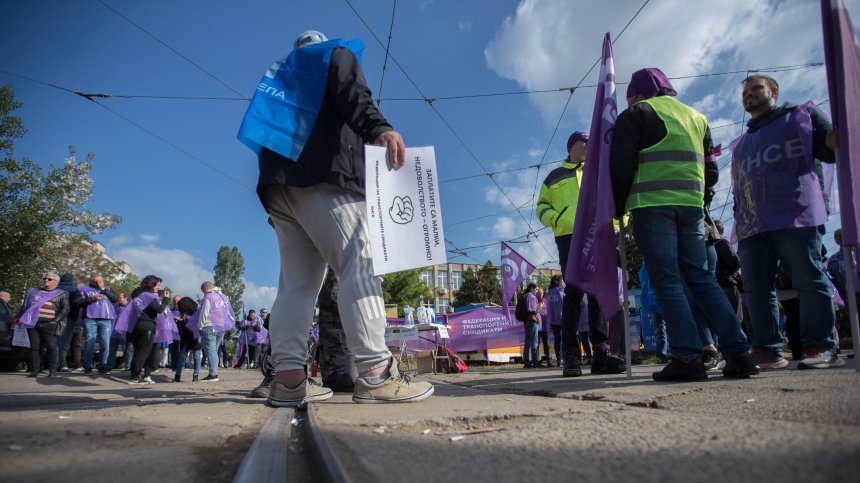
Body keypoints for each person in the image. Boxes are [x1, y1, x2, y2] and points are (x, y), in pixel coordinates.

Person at [238, 29, 432, 406]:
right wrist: (380, 128)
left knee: (297, 286)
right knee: (358, 264)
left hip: (279, 188)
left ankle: (289, 381)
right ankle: (376, 374)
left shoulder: (280, 76)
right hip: (326, 176)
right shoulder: (333, 54)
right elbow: (352, 94)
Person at [611, 67, 757, 381]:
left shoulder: (637, 114)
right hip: (692, 208)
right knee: (702, 279)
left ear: (636, 94)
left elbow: (621, 166)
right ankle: (740, 353)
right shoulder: (697, 117)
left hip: (652, 207)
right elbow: (711, 170)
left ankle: (688, 357)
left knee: (666, 281)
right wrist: (698, 198)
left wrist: (616, 209)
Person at [731, 74, 843, 369]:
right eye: (745, 93)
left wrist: (833, 142)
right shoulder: (741, 145)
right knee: (756, 287)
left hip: (796, 214)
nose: (749, 96)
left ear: (774, 91)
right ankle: (767, 349)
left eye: (756, 89)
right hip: (753, 225)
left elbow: (829, 152)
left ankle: (821, 345)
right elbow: (740, 187)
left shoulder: (801, 117)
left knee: (808, 277)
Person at [536, 130, 626, 377]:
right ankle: (571, 356)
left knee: (598, 291)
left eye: (590, 142)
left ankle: (601, 354)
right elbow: (541, 207)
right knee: (573, 293)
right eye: (584, 142)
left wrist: (618, 225)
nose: (589, 145)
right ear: (571, 147)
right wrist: (558, 219)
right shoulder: (554, 177)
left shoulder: (598, 171)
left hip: (598, 237)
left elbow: (616, 202)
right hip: (569, 238)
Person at [114, 275, 170, 384]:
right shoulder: (147, 296)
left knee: (138, 352)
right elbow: (158, 309)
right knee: (143, 353)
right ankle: (135, 377)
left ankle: (134, 375)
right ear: (151, 285)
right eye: (157, 285)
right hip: (146, 327)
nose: (159, 287)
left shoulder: (139, 297)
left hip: (137, 326)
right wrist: (166, 300)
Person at [14, 273, 69, 377]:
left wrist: (55, 321)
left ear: (56, 282)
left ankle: (52, 371)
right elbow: (25, 306)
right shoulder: (33, 292)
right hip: (33, 324)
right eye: (45, 278)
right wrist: (19, 318)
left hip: (50, 324)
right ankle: (35, 370)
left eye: (49, 279)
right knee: (34, 347)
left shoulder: (61, 294)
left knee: (51, 347)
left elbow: (65, 309)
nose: (46, 280)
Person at [78, 274, 118, 375]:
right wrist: (92, 299)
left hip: (105, 318)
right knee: (90, 342)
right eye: (95, 282)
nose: (98, 283)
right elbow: (77, 302)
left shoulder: (108, 289)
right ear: (91, 281)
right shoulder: (83, 289)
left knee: (105, 343)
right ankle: (88, 367)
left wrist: (103, 289)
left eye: (100, 281)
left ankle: (103, 366)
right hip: (90, 318)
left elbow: (114, 299)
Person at [194, 282, 235, 381]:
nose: (204, 293)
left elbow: (204, 312)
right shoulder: (224, 297)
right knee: (214, 351)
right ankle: (213, 372)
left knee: (211, 351)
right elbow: (228, 312)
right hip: (221, 327)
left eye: (203, 291)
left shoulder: (209, 296)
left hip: (209, 325)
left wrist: (199, 326)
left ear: (206, 288)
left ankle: (213, 374)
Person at [56, 273, 83, 372]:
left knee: (54, 342)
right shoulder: (74, 290)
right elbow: (77, 304)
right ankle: (61, 365)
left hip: (55, 317)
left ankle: (57, 364)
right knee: (65, 343)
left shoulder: (55, 288)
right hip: (70, 319)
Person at [827, 228, 860, 311]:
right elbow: (832, 278)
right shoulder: (833, 259)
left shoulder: (856, 253)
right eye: (836, 236)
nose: (838, 238)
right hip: (845, 294)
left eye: (840, 235)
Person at [544, 276, 564, 367]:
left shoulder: (548, 293)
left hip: (552, 319)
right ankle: (564, 358)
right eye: (562, 280)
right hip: (562, 318)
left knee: (557, 340)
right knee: (565, 339)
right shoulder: (561, 290)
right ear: (559, 281)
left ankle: (559, 359)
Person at [518, 283, 540, 369]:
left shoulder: (525, 296)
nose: (537, 291)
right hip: (532, 319)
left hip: (526, 320)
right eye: (536, 289)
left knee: (527, 342)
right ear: (531, 288)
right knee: (534, 342)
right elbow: (531, 309)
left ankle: (526, 362)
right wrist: (538, 309)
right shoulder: (532, 297)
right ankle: (535, 362)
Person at [535, 287, 551, 367]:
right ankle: (536, 361)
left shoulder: (546, 302)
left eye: (541, 293)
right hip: (537, 327)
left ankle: (549, 361)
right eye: (538, 293)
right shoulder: (534, 302)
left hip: (545, 327)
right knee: (536, 344)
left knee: (546, 344)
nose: (540, 294)